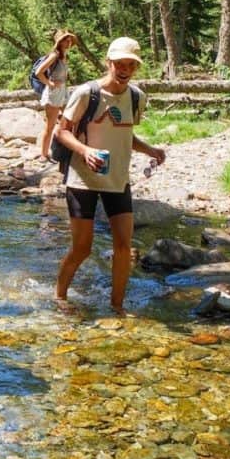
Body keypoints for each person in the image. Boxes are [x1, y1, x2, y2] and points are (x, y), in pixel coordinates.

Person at [53, 36, 166, 315]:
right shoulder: (86, 93)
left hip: (117, 180)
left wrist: (150, 149)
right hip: (83, 179)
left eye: (131, 64)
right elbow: (62, 131)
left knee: (124, 247)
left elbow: (125, 135)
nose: (125, 69)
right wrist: (85, 151)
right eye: (119, 63)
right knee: (82, 248)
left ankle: (117, 306)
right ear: (109, 62)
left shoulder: (137, 97)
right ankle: (60, 297)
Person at [34, 29, 77, 162]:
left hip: (64, 91)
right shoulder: (55, 55)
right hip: (53, 93)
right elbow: (38, 72)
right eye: (65, 39)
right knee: (50, 125)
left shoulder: (65, 56)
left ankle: (70, 149)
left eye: (69, 39)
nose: (68, 41)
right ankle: (44, 154)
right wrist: (50, 83)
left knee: (71, 120)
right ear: (59, 41)